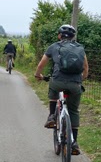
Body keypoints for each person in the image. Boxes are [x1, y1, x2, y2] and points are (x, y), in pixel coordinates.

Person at [34, 25, 88, 155]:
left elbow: (41, 64)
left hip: (57, 81)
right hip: (75, 84)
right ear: (73, 37)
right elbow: (86, 68)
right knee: (73, 110)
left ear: (59, 35)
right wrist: (82, 79)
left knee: (53, 90)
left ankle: (52, 116)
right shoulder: (79, 48)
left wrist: (38, 75)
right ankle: (74, 142)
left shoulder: (54, 47)